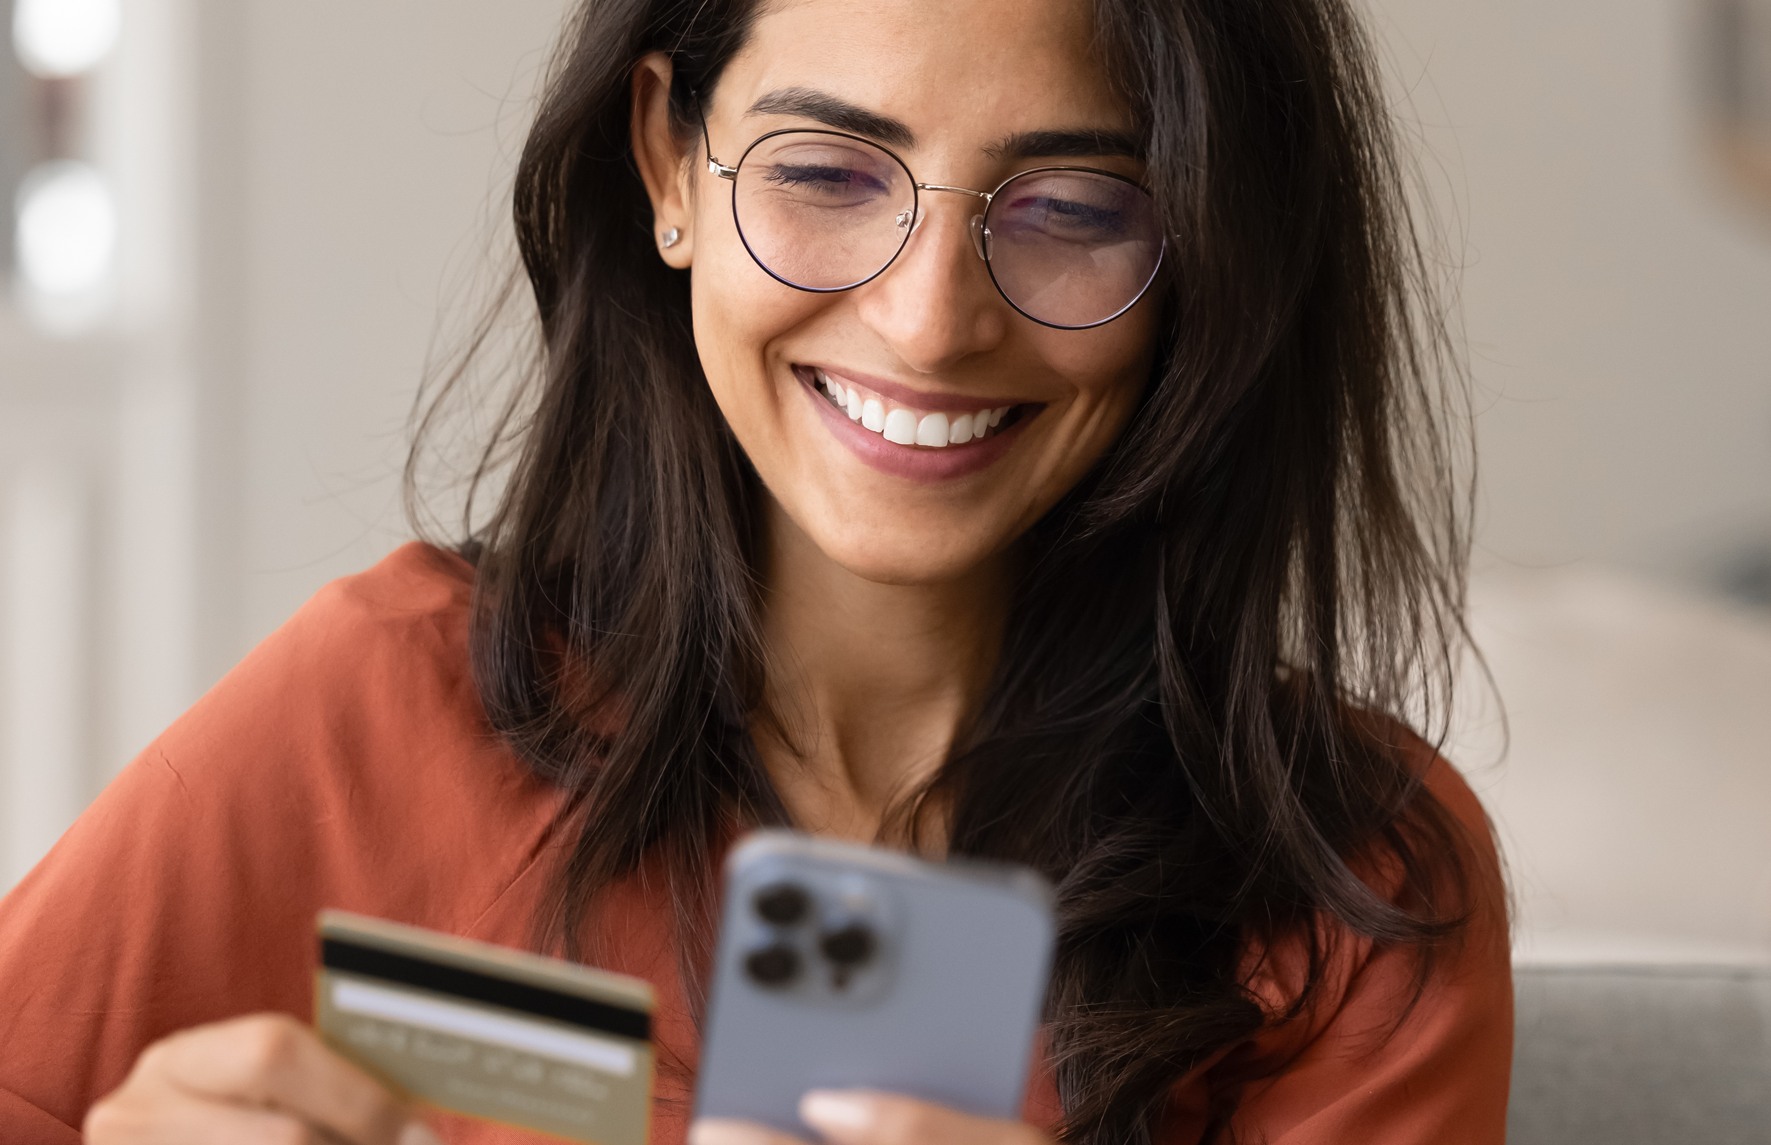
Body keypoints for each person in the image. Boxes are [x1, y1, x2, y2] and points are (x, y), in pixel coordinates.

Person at [0, 0, 1512, 1142]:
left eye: (1072, 209)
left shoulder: (1350, 889)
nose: (929, 323)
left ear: (1210, 248)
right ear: (669, 160)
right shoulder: (367, 712)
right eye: (829, 172)